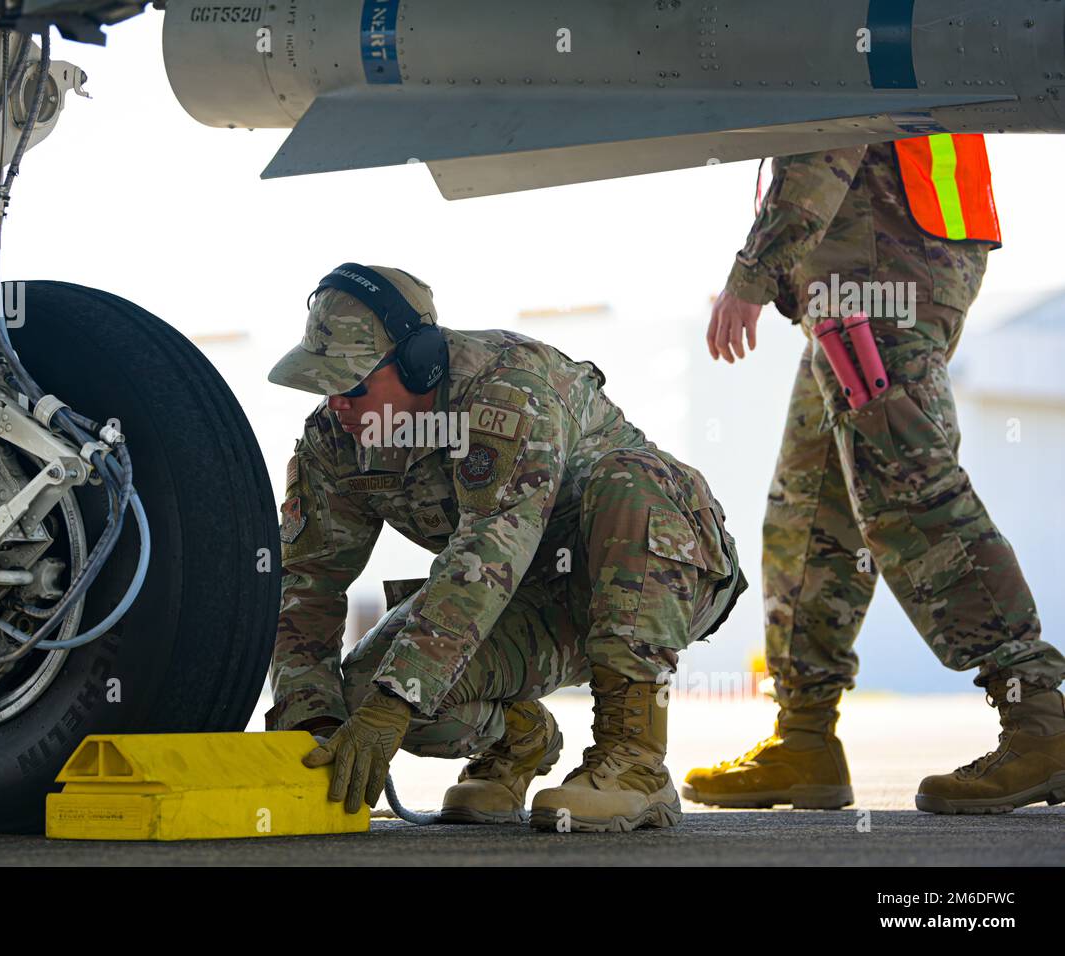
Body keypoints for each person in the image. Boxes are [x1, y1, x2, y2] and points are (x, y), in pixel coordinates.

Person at [265, 262, 746, 831]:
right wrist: (311, 729)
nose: (335, 404)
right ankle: (520, 740)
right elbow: (307, 585)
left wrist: (396, 703)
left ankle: (635, 763)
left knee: (629, 481)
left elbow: (488, 549)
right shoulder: (334, 440)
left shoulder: (506, 390)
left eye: (352, 383)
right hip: (528, 601)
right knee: (371, 690)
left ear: (420, 365)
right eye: (324, 383)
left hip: (649, 577)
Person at [687, 136, 1065, 814]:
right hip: (865, 270)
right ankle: (804, 741)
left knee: (909, 492)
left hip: (880, 267)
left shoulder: (828, 26)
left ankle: (1039, 719)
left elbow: (832, 129)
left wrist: (753, 274)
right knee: (811, 510)